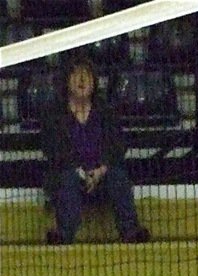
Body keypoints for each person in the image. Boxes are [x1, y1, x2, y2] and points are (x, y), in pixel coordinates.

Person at [41, 55, 150, 245]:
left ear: (94, 82)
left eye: (87, 75)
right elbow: (53, 149)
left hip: (102, 177)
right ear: (67, 81)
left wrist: (101, 170)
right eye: (76, 75)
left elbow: (118, 145)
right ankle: (63, 235)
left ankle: (131, 231)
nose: (82, 80)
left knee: (118, 177)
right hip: (69, 176)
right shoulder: (54, 114)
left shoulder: (106, 111)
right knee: (67, 179)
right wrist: (79, 171)